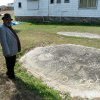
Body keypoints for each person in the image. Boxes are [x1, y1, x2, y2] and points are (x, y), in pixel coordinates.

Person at [0, 13, 21, 79]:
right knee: (10, 64)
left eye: (9, 20)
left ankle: (9, 72)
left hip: (13, 49)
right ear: (3, 20)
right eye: (7, 20)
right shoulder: (2, 28)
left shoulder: (8, 26)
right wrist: (7, 52)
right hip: (9, 51)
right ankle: (11, 76)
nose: (9, 21)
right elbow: (3, 41)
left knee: (13, 63)